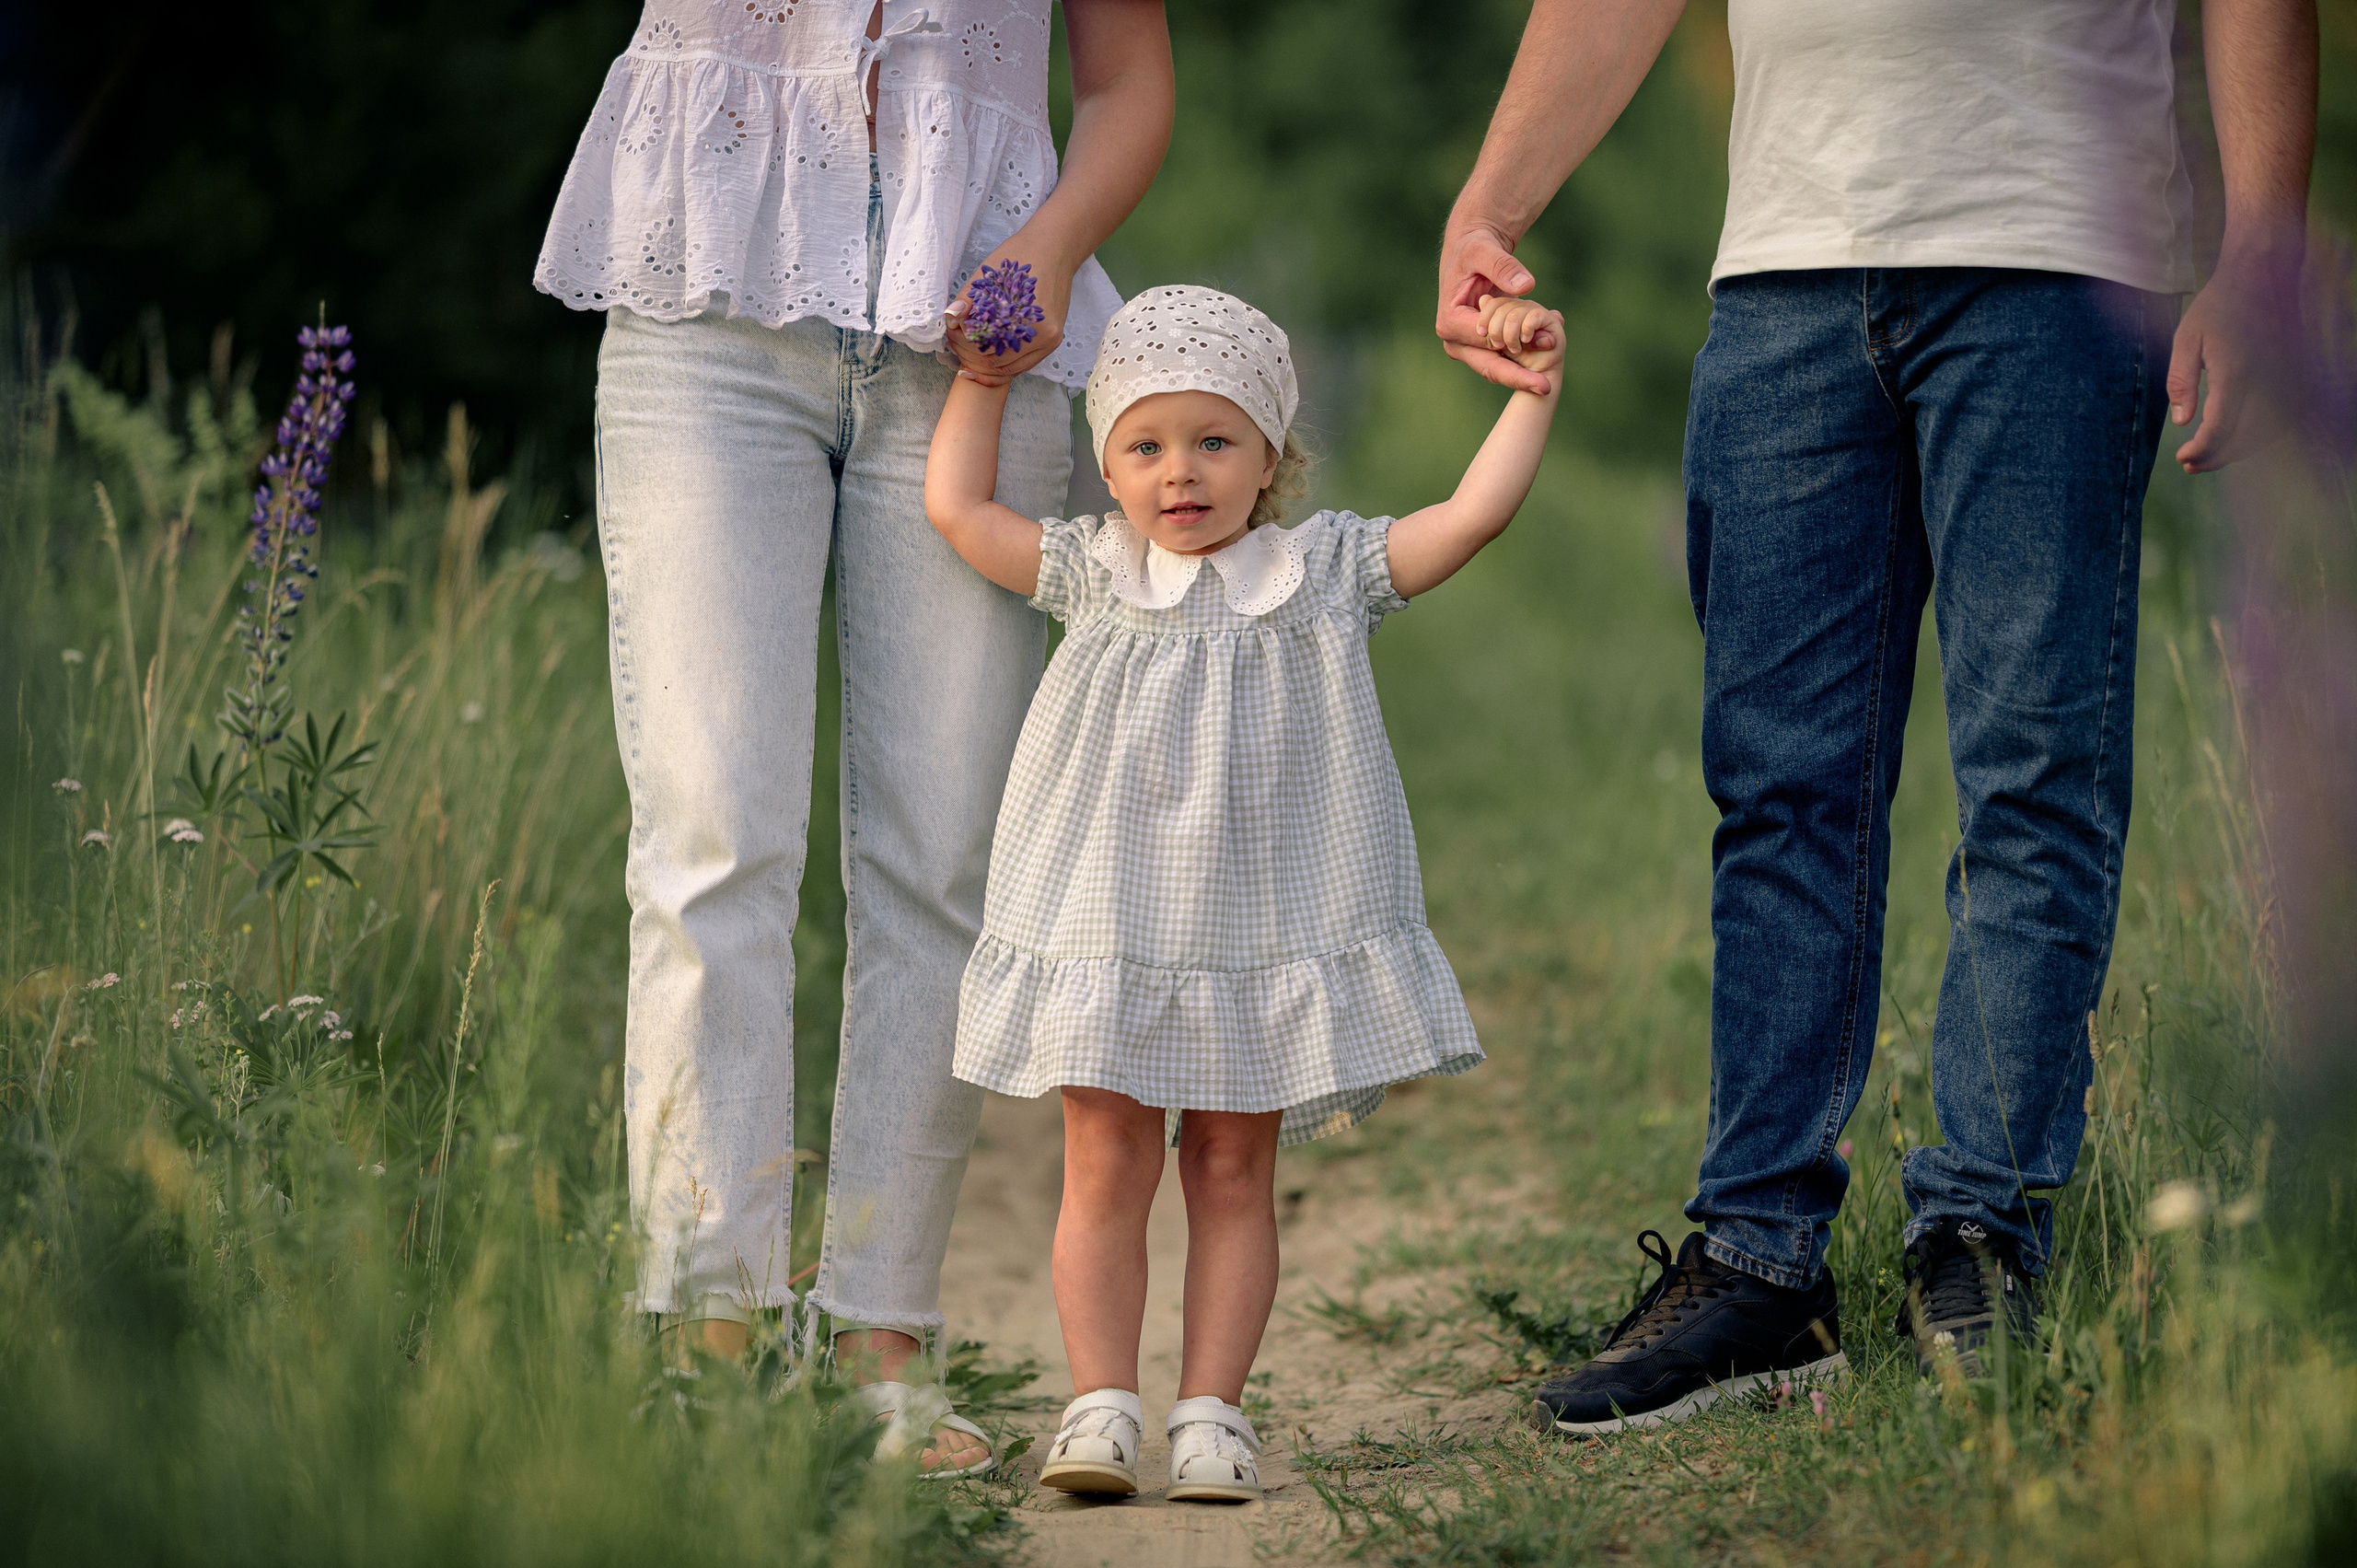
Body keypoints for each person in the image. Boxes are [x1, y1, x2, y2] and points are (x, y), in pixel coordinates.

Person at [1436, 0, 2317, 1434]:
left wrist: (2263, 251)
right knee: (1781, 788)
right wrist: (1493, 201)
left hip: (2057, 253)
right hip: (1787, 261)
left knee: (2034, 776)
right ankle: (1759, 1268)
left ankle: (1982, 1238)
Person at [532, 0, 1172, 1476]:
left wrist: (1052, 246)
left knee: (941, 861)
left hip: (977, 339)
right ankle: (706, 1342)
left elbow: (1131, 80)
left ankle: (882, 1344)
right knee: (712, 837)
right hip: (712, 299)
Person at [924, 285, 1563, 1498]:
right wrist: (984, 377)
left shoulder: (1323, 572)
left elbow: (1472, 517)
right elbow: (957, 509)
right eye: (1146, 445)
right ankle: (1100, 1408)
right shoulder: (1091, 571)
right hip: (1110, 920)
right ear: (1108, 464)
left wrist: (1532, 395)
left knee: (1231, 1169)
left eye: (1215, 440)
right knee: (1104, 1158)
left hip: (1262, 929)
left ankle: (1212, 1413)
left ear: (1270, 457)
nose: (1181, 471)